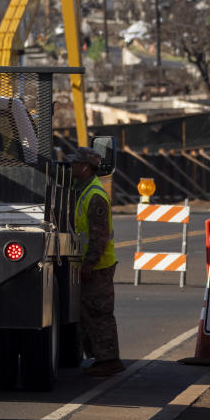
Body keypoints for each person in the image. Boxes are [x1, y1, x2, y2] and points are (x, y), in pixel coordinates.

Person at [69, 147, 124, 377]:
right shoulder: (80, 189)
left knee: (99, 314)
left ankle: (109, 360)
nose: (70, 167)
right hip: (90, 264)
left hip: (98, 266)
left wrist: (89, 264)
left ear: (85, 167)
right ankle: (100, 358)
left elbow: (99, 236)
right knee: (89, 314)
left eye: (74, 163)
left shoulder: (95, 196)